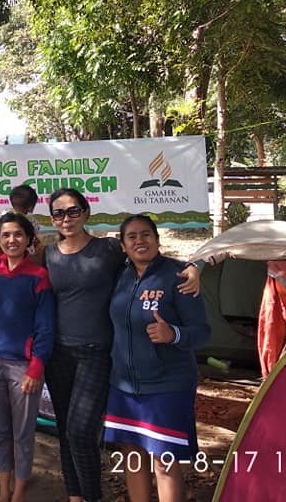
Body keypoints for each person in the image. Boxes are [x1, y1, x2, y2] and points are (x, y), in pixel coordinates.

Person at [43, 188, 199, 502]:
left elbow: (153, 259)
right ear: (52, 219)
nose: (66, 218)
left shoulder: (108, 249)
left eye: (73, 211)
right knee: (66, 430)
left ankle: (92, 496)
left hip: (96, 353)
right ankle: (75, 496)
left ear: (86, 213)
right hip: (58, 354)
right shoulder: (47, 254)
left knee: (81, 430)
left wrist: (196, 267)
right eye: (58, 213)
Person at [104, 215, 210, 502]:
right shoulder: (118, 274)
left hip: (167, 384)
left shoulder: (179, 277)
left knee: (164, 461)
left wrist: (173, 334)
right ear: (123, 245)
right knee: (132, 454)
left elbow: (202, 332)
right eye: (132, 236)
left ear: (157, 239)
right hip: (123, 385)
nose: (139, 241)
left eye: (146, 234)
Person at [0, 212, 55, 502]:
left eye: (18, 234)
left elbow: (45, 327)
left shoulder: (39, 276)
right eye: (5, 235)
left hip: (24, 368)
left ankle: (18, 493)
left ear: (29, 238)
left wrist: (36, 367)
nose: (12, 240)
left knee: (23, 434)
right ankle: (4, 489)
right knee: (0, 431)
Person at [8, 184, 44, 263]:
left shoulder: (4, 216)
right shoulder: (31, 220)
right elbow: (36, 230)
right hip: (28, 254)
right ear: (31, 207)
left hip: (9, 252)